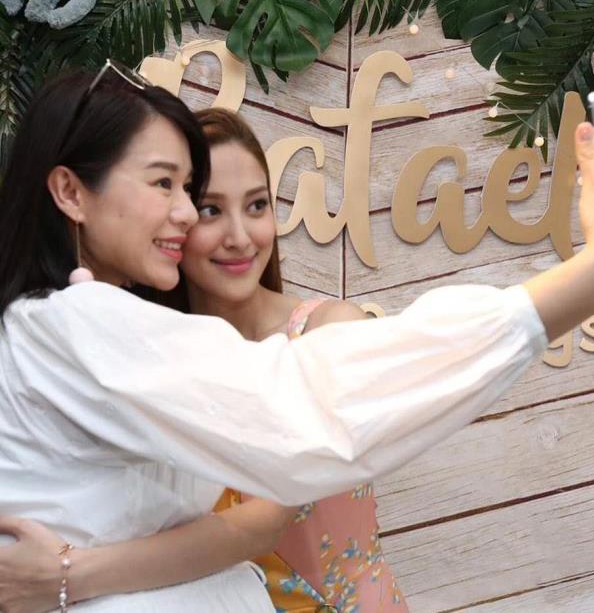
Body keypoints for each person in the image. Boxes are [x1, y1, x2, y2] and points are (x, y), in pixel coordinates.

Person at [0, 63, 594, 613]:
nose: (186, 215)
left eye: (248, 202)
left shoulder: (88, 327)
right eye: (167, 186)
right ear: (71, 193)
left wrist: (70, 574)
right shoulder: (75, 323)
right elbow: (313, 416)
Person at [0, 107, 407, 613]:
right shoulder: (142, 359)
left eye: (257, 205)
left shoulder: (329, 330)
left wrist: (66, 575)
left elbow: (264, 521)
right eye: (210, 209)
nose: (239, 236)